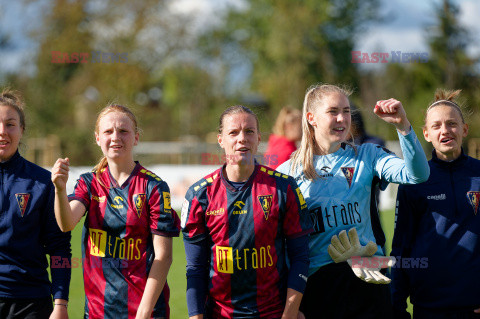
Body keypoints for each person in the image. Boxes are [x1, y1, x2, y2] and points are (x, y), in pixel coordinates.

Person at [276, 84, 430, 318]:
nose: (342, 118)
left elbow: (418, 174)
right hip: (318, 291)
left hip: (369, 283)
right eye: (333, 111)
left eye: (346, 111)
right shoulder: (287, 173)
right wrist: (290, 306)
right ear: (311, 118)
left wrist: (403, 127)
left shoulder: (368, 155)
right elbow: (281, 247)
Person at [181, 105, 312, 318]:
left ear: (259, 138)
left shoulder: (284, 188)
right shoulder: (199, 195)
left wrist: (289, 314)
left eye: (249, 131)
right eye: (233, 132)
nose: (242, 138)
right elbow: (195, 269)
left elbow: (300, 257)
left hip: (273, 313)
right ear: (220, 139)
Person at [51, 104, 180, 319]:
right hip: (97, 312)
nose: (115, 137)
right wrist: (59, 189)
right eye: (108, 131)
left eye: (123, 131)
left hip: (146, 312)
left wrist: (144, 312)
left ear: (136, 138)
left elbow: (163, 256)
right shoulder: (89, 183)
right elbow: (66, 224)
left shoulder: (154, 187)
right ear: (97, 138)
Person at [391, 89, 480, 319]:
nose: (445, 130)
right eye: (437, 125)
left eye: (451, 123)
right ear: (426, 134)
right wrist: (397, 307)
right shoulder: (413, 181)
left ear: (464, 129)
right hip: (429, 309)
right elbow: (401, 247)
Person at [0, 88, 71, 319]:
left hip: (30, 304)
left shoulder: (42, 182)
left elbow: (59, 248)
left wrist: (60, 304)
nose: (3, 132)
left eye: (10, 124)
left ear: (22, 130)